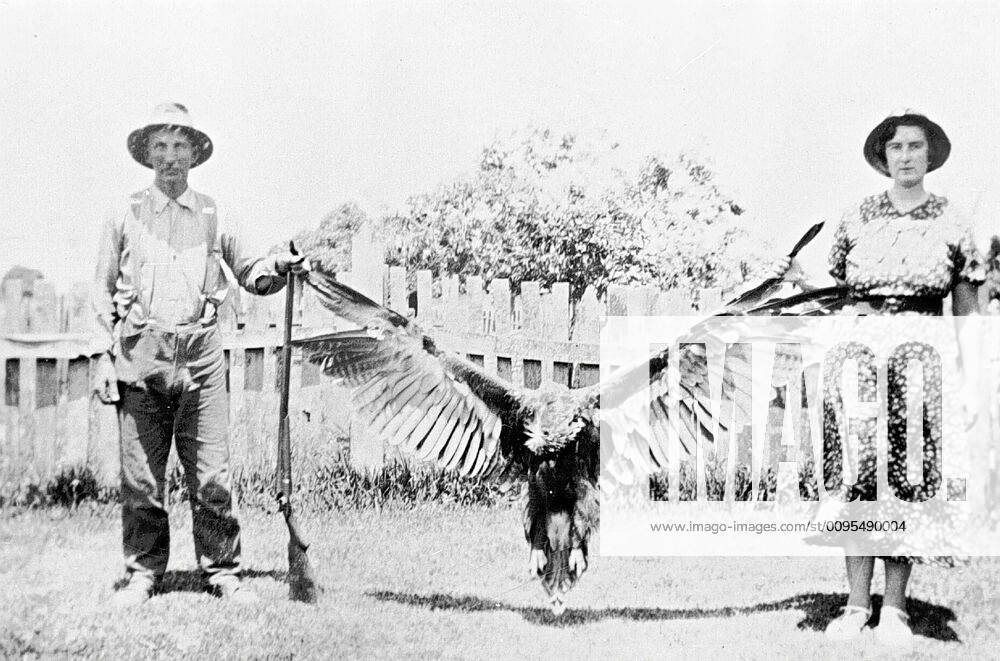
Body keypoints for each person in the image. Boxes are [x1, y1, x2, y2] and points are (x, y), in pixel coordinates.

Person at [777, 109, 984, 647]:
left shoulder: (954, 221)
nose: (908, 156)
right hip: (859, 358)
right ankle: (853, 604)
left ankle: (893, 608)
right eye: (897, 148)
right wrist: (798, 275)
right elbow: (835, 286)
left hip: (922, 361)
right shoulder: (856, 216)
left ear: (930, 155)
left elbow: (965, 308)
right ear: (884, 157)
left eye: (917, 147)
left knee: (909, 479)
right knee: (856, 477)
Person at [92, 102, 309, 607]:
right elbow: (100, 290)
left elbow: (253, 271)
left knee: (211, 474)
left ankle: (224, 572)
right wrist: (103, 356)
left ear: (194, 153)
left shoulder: (215, 212)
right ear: (147, 154)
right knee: (141, 478)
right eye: (161, 147)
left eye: (179, 146)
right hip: (140, 353)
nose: (170, 157)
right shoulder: (123, 213)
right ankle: (144, 573)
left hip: (202, 355)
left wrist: (277, 263)